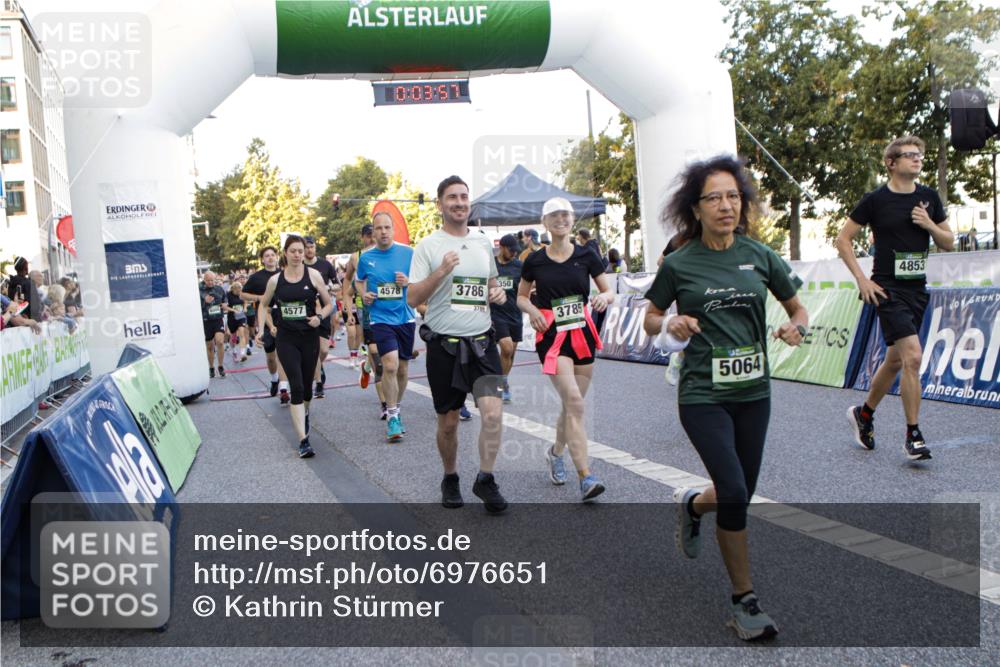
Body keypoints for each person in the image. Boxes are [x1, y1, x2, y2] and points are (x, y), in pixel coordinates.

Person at [642, 155, 808, 641]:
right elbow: (650, 318)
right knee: (734, 492)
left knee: (740, 493)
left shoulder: (759, 255)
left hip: (754, 392)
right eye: (714, 197)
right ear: (695, 207)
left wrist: (796, 327)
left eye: (733, 196)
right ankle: (744, 601)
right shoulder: (680, 263)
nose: (725, 205)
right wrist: (669, 322)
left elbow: (798, 308)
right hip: (703, 394)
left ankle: (693, 507)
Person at [835, 135, 952, 461]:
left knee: (896, 359)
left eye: (919, 155)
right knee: (912, 356)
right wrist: (862, 280)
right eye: (909, 155)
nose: (917, 160)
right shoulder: (875, 200)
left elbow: (949, 242)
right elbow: (843, 240)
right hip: (886, 289)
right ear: (891, 162)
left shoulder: (928, 198)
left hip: (917, 291)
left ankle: (864, 414)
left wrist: (929, 224)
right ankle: (913, 435)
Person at [407, 175, 509, 513]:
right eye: (452, 197)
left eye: (464, 196)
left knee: (493, 414)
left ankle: (486, 478)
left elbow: (493, 285)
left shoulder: (482, 243)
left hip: (482, 342)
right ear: (440, 204)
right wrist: (440, 272)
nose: (460, 202)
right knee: (448, 422)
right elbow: (412, 297)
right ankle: (450, 477)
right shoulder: (428, 246)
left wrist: (498, 292)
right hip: (444, 346)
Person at [518, 197, 615, 501]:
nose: (560, 219)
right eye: (554, 216)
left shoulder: (587, 255)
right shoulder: (535, 260)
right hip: (551, 336)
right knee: (574, 400)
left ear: (572, 220)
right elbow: (520, 297)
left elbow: (607, 289)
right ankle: (586, 476)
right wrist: (532, 312)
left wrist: (604, 299)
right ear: (544, 223)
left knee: (572, 405)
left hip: (582, 334)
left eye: (565, 215)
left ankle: (556, 452)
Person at [258, 235, 334, 458]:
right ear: (285, 253)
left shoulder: (314, 275)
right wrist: (259, 329)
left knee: (308, 388)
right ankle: (303, 440)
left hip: (309, 337)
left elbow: (329, 303)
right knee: (297, 386)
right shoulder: (276, 281)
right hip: (286, 339)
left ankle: (304, 412)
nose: (297, 254)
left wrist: (319, 316)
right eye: (293, 251)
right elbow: (263, 305)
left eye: (300, 250)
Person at [355, 212, 416, 442]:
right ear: (373, 231)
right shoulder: (366, 258)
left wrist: (408, 282)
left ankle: (396, 408)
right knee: (389, 365)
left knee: (402, 369)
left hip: (405, 317)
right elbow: (359, 281)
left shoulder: (408, 253)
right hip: (380, 318)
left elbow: (423, 279)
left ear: (393, 229)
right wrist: (364, 294)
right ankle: (391, 416)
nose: (382, 232)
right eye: (378, 228)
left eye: (386, 227)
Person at [243, 246, 288, 401]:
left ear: (277, 257)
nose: (270, 258)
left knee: (283, 354)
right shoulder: (256, 277)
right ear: (262, 259)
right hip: (265, 316)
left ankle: (283, 389)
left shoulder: (284, 274)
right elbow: (243, 294)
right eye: (267, 256)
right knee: (271, 356)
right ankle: (274, 378)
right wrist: (260, 298)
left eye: (272, 255)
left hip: (282, 316)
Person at [304, 235, 338, 399]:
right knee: (314, 350)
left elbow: (338, 284)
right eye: (306, 247)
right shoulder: (299, 266)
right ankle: (318, 384)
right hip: (307, 311)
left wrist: (330, 287)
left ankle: (320, 367)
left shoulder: (325, 265)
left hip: (324, 309)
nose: (309, 250)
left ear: (315, 247)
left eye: (311, 246)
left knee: (323, 350)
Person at [492, 234, 524, 403]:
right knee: (506, 348)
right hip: (496, 314)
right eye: (511, 250)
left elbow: (528, 286)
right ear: (502, 247)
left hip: (515, 313)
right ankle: (501, 383)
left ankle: (502, 381)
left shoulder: (519, 266)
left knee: (511, 354)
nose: (513, 254)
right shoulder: (492, 265)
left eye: (515, 251)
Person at [341, 225, 376, 369]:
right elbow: (348, 279)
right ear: (362, 237)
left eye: (374, 234)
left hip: (388, 304)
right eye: (368, 235)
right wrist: (346, 301)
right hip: (365, 304)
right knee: (371, 343)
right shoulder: (356, 257)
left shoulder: (388, 252)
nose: (372, 238)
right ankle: (369, 361)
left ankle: (369, 364)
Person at [6, 257, 41, 322]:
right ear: (26, 267)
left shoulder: (11, 283)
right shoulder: (29, 283)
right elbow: (35, 306)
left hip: (14, 319)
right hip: (30, 321)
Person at [226, 280, 249, 363]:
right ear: (233, 289)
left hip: (241, 316)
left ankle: (243, 354)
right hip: (232, 318)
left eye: (240, 290)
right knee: (233, 337)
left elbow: (245, 301)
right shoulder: (228, 295)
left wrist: (245, 307)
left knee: (242, 333)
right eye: (237, 291)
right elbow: (225, 307)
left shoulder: (241, 294)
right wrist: (233, 310)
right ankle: (234, 351)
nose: (239, 292)